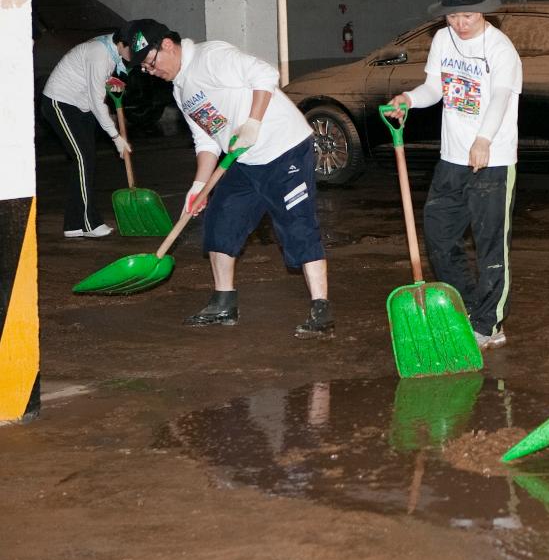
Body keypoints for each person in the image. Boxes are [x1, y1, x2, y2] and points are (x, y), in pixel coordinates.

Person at [122, 19, 333, 337]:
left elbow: (265, 74)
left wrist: (252, 122)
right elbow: (207, 139)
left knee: (297, 226)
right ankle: (224, 304)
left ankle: (321, 307)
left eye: (151, 63)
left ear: (167, 45)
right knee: (221, 221)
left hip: (284, 148)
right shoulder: (181, 89)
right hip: (243, 159)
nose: (151, 71)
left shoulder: (211, 57)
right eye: (145, 69)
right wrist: (199, 186)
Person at [386, 0, 521, 351]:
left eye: (468, 17)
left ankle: (490, 324)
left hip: (492, 159)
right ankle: (468, 307)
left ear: (483, 12)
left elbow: (499, 98)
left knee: (491, 244)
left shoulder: (499, 48)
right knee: (439, 232)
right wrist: (409, 100)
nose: (460, 25)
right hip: (452, 157)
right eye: (453, 17)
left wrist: (483, 140)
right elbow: (435, 87)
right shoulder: (442, 40)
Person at [41, 31, 132, 237]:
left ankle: (73, 225)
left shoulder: (110, 52)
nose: (136, 57)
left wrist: (109, 83)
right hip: (60, 103)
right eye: (134, 52)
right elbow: (96, 100)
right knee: (83, 158)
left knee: (85, 160)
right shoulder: (99, 52)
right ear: (122, 43)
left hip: (80, 106)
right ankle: (89, 222)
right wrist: (115, 137)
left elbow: (94, 84)